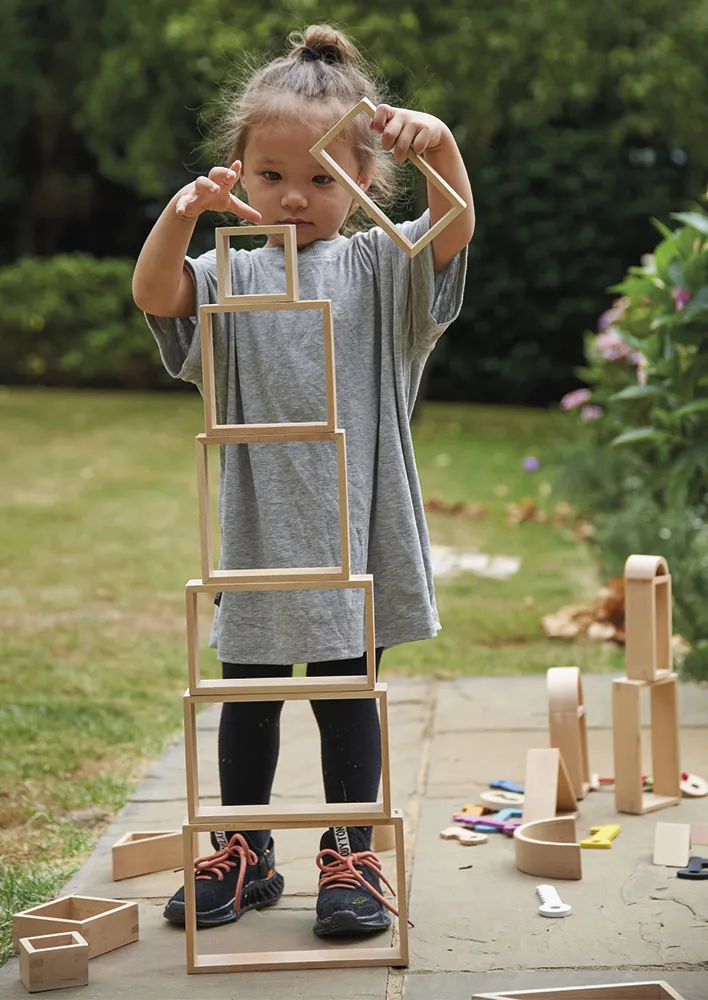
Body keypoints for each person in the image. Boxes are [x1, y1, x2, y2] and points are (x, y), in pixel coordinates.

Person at [132, 22, 474, 940]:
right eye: (273, 176)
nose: (296, 198)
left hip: (354, 530)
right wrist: (176, 220)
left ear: (365, 181)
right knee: (246, 697)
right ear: (238, 175)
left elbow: (450, 229)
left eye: (324, 178)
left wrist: (437, 143)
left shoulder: (376, 266)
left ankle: (348, 854)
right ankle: (244, 851)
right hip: (255, 536)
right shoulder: (228, 272)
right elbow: (158, 297)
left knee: (343, 694)